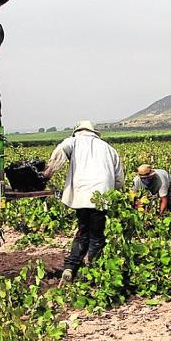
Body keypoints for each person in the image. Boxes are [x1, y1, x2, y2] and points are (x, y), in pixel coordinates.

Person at [43, 121, 124, 285]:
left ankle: (70, 267)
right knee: (97, 236)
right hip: (102, 196)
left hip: (81, 195)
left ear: (77, 131)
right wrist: (111, 191)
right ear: (94, 132)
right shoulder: (108, 148)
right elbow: (119, 179)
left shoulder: (73, 141)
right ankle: (90, 268)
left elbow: (60, 151)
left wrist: (48, 173)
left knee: (82, 232)